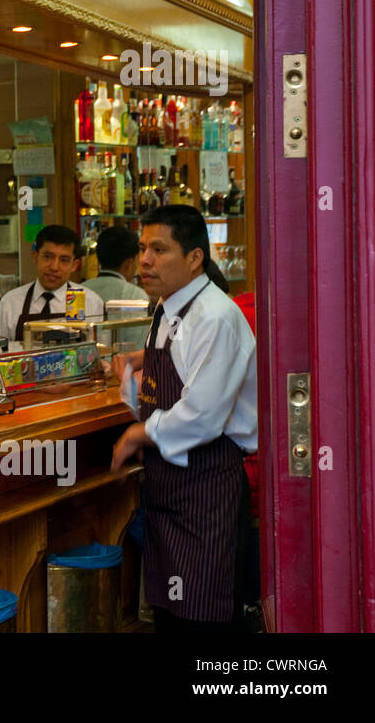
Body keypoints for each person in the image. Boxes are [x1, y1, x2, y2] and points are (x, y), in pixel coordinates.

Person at [110, 205, 257, 632]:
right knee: (171, 616)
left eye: (159, 249)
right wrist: (132, 373)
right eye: (141, 249)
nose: (145, 261)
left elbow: (203, 415)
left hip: (207, 492)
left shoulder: (216, 315)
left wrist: (139, 433)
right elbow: (165, 375)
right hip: (169, 491)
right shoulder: (168, 309)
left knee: (203, 620)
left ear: (195, 258)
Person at [0, 224, 105, 345]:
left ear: (75, 265)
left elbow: (101, 351)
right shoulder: (10, 302)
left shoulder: (91, 302)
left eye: (64, 260)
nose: (54, 267)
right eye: (48, 257)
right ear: (35, 257)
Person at [80, 226, 150, 348]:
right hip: (124, 365)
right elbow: (137, 346)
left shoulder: (79, 290)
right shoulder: (136, 296)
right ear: (129, 263)